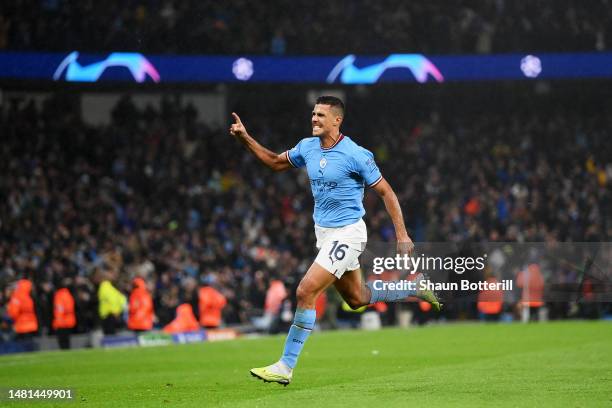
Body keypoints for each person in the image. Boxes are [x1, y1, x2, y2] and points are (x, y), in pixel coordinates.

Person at [229, 96, 440, 385]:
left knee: (305, 292)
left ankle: (285, 366)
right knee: (357, 299)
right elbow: (275, 162)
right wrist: (245, 139)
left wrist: (402, 234)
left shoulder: (356, 154)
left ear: (337, 120)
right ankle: (414, 287)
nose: (314, 119)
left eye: (320, 116)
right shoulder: (307, 147)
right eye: (313, 114)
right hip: (325, 234)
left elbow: (387, 193)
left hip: (349, 233)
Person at [52, 278, 77, 349]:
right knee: (67, 341)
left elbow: (60, 309)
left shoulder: (59, 295)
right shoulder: (68, 294)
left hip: (62, 322)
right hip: (69, 321)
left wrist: (58, 321)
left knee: (62, 342)